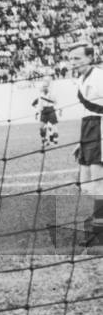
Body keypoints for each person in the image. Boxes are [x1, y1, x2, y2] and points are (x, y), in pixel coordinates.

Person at [70, 42, 103, 249]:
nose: (73, 62)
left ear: (90, 58)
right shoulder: (82, 79)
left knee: (98, 183)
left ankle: (98, 232)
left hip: (100, 128)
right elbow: (87, 111)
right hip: (88, 129)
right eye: (71, 58)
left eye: (77, 58)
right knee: (84, 184)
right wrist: (80, 141)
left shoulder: (99, 77)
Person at [31, 79, 60, 147]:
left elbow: (56, 103)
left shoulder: (52, 94)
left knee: (54, 127)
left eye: (46, 86)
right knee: (41, 127)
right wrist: (37, 113)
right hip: (44, 111)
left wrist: (58, 109)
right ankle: (45, 141)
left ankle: (55, 141)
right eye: (44, 86)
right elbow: (40, 105)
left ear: (48, 87)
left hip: (51, 110)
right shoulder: (40, 95)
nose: (45, 88)